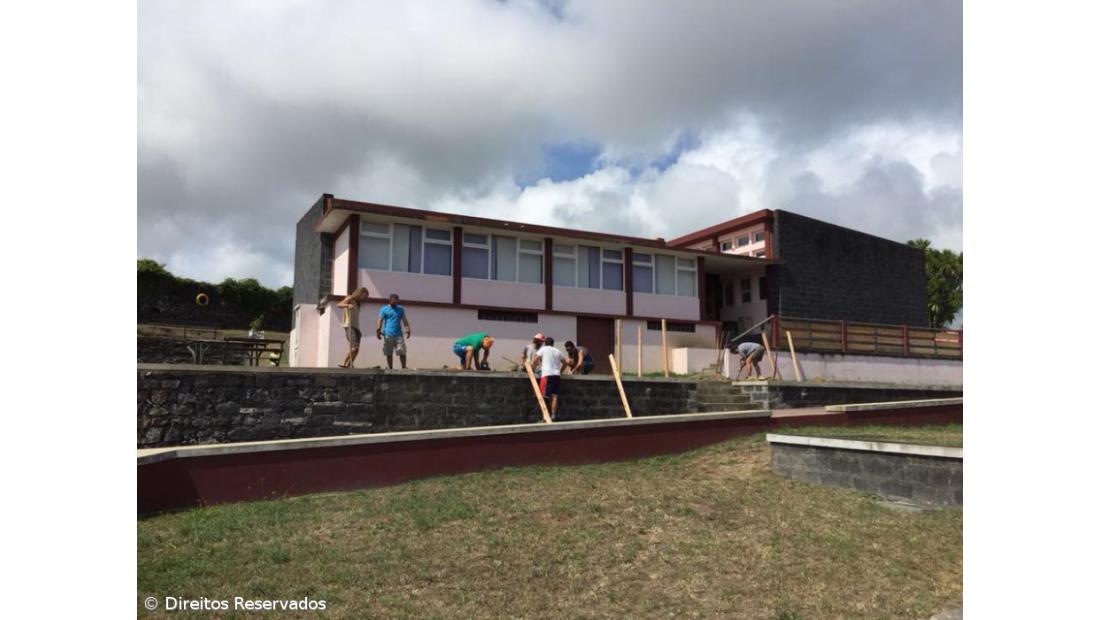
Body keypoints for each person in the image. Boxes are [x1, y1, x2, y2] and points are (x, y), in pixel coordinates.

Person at [336, 287, 370, 368]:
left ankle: (349, 364)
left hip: (355, 327)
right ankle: (344, 363)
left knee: (357, 349)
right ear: (360, 293)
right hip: (349, 325)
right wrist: (347, 305)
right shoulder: (350, 298)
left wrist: (358, 329)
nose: (365, 298)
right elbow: (339, 305)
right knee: (354, 347)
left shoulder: (358, 303)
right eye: (364, 295)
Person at [376, 293, 412, 369]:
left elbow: (404, 320)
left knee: (402, 352)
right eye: (393, 301)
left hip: (398, 334)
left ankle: (404, 368)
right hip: (388, 334)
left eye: (396, 301)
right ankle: (390, 369)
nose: (395, 303)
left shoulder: (400, 309)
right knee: (389, 353)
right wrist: (378, 330)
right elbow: (380, 320)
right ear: (390, 300)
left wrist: (407, 329)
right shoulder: (384, 309)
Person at [533, 336, 564, 420]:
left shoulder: (544, 349)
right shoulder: (558, 351)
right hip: (556, 376)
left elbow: (535, 360)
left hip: (547, 375)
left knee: (544, 396)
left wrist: (533, 368)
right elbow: (565, 363)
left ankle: (545, 416)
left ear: (545, 343)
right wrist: (560, 371)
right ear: (553, 344)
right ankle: (553, 415)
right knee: (554, 396)